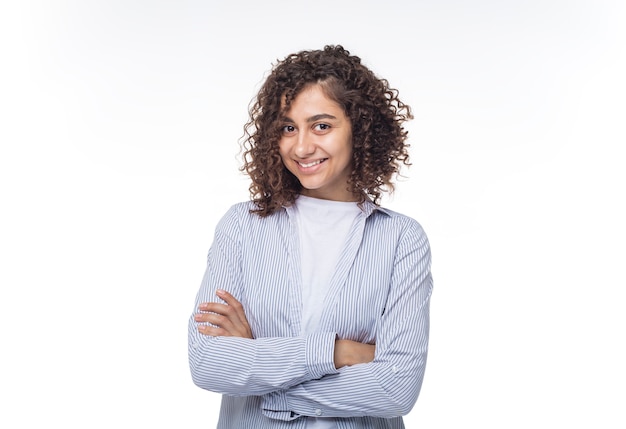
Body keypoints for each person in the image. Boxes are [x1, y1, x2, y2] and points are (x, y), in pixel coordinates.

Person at [188, 45, 433, 429]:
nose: (301, 147)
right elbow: (207, 363)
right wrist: (337, 352)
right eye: (288, 128)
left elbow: (396, 388)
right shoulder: (242, 226)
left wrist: (258, 366)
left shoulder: (401, 239)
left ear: (360, 128)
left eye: (322, 125)